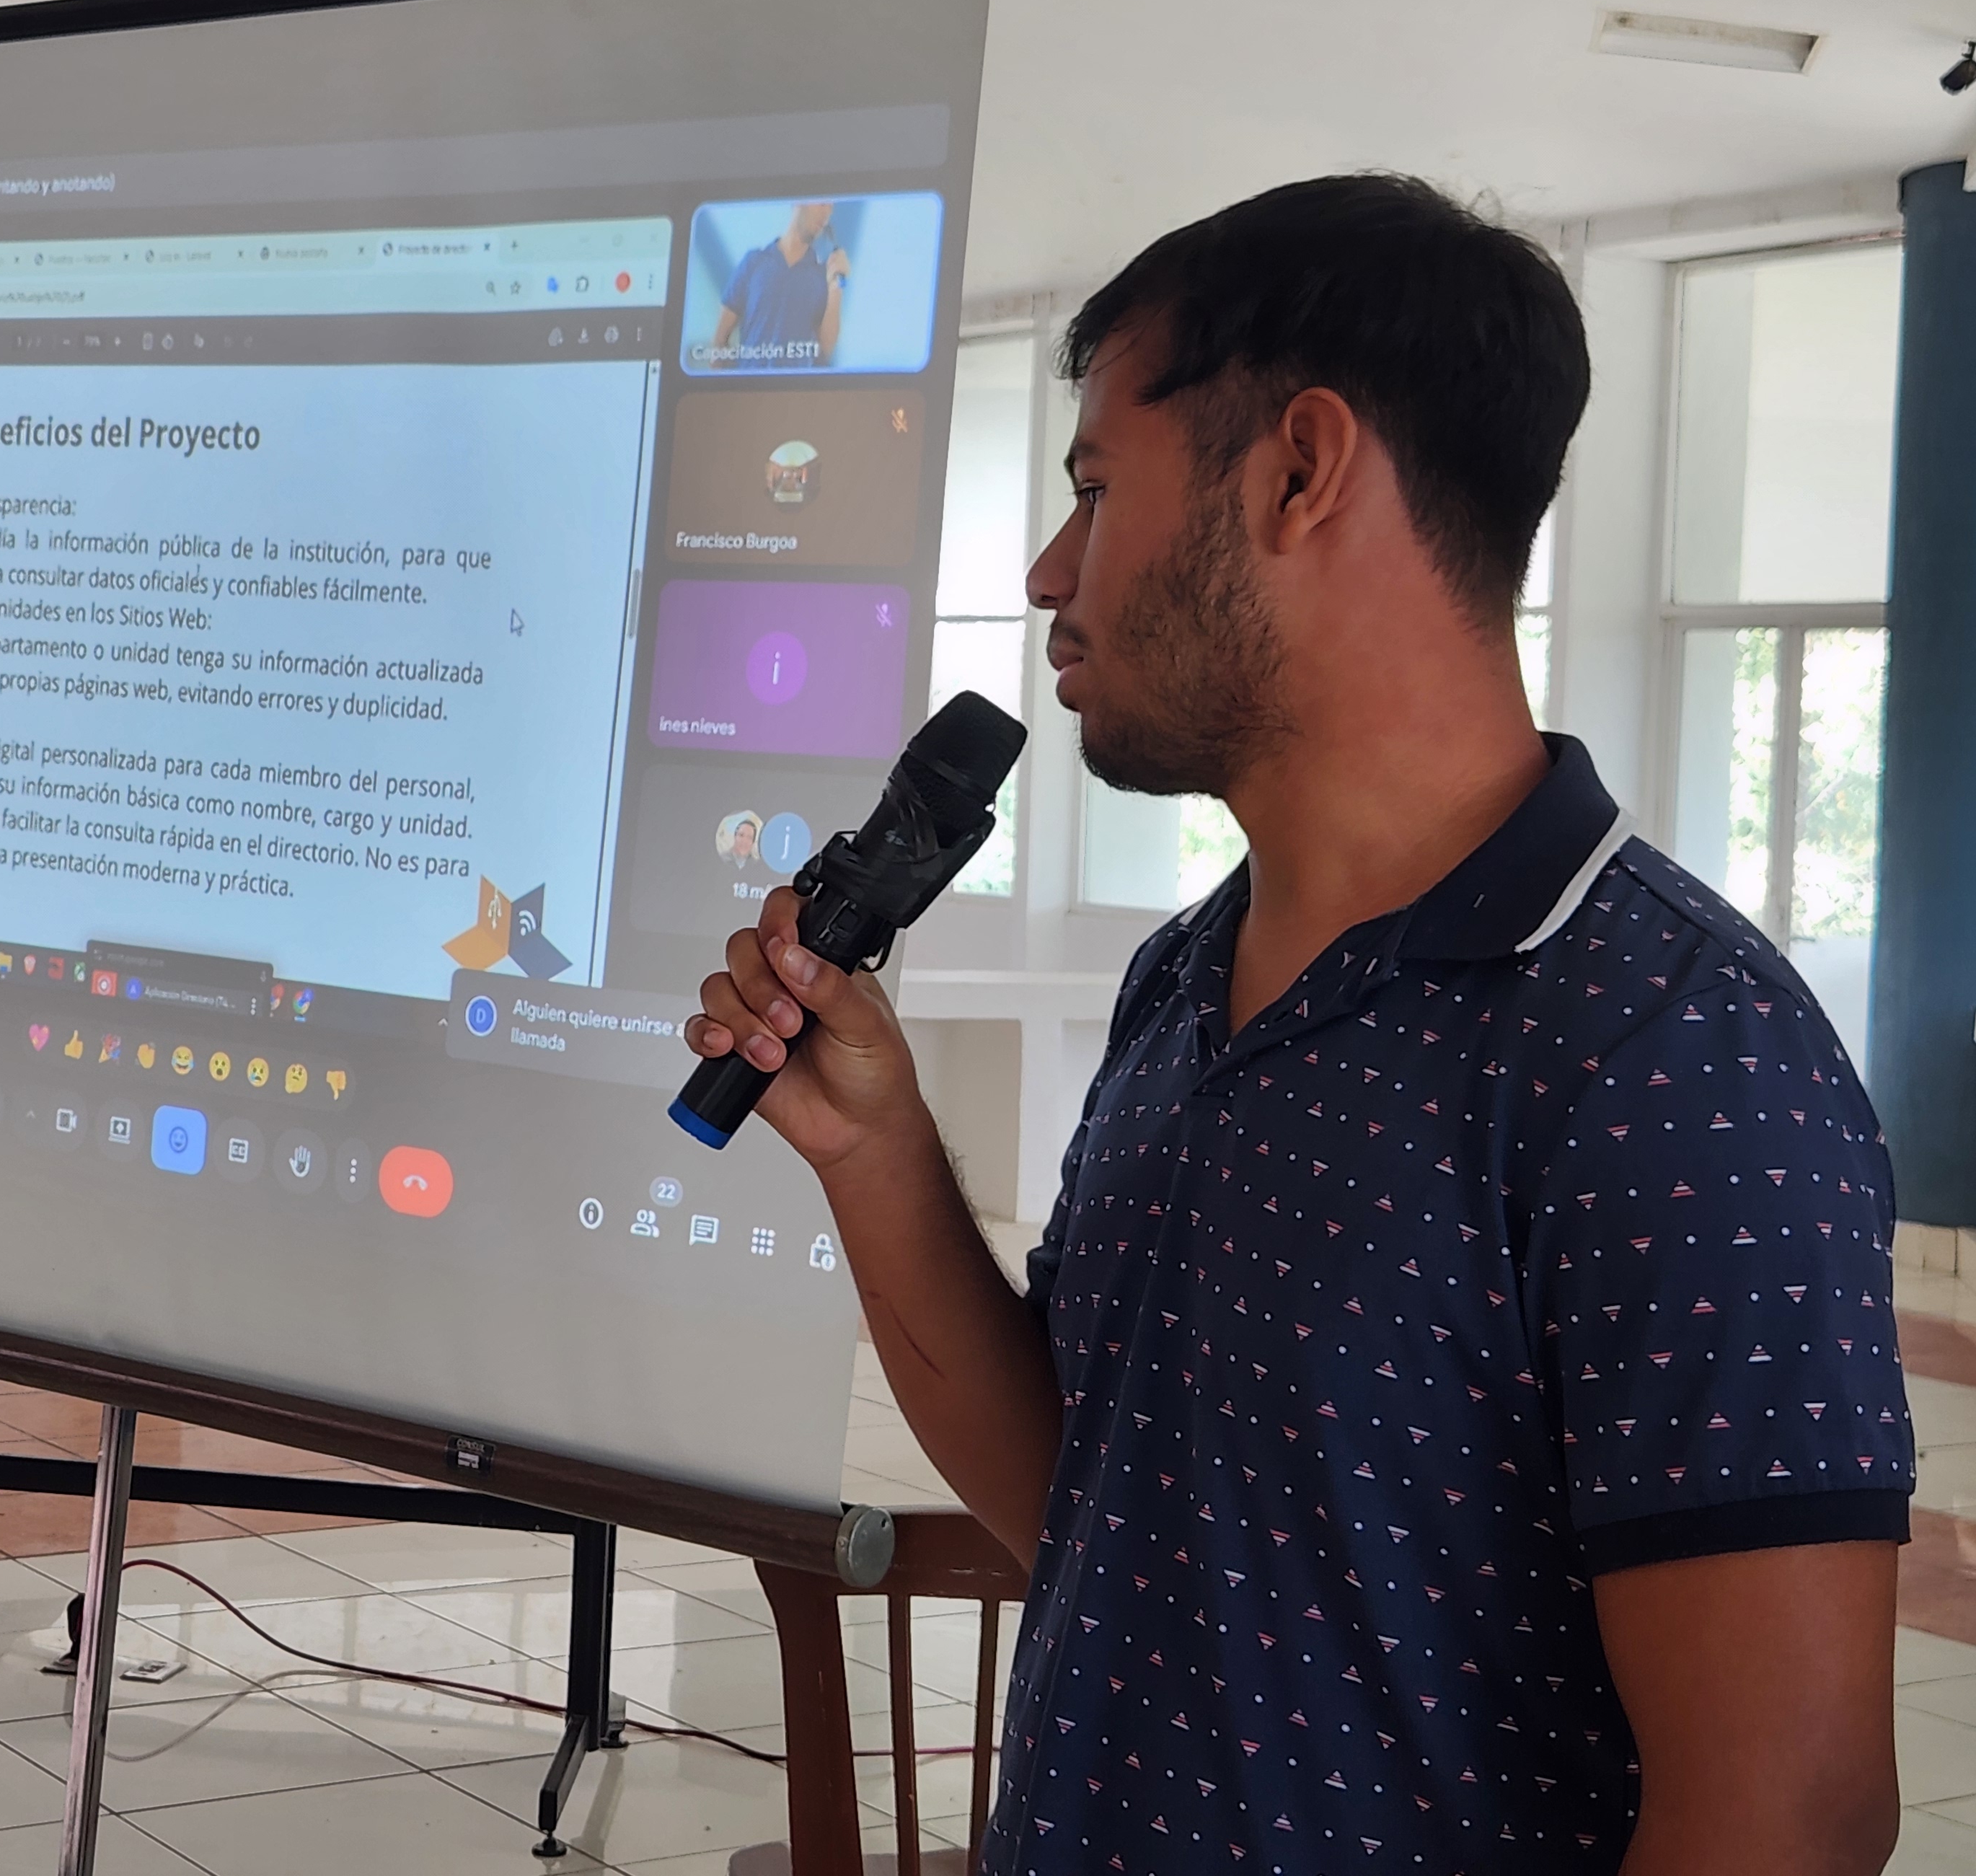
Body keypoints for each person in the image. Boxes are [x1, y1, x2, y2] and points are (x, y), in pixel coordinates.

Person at [685, 175, 1911, 1875]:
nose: (1046, 572)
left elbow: (1786, 1814)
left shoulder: (1669, 1053)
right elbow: (1090, 1508)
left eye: (1093, 489)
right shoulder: (1183, 979)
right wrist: (875, 1156)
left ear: (1298, 470)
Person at [710, 201, 850, 366]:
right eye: (822, 204)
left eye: (831, 208)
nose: (827, 214)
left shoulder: (822, 278)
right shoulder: (754, 263)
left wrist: (836, 288)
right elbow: (719, 340)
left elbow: (825, 351)